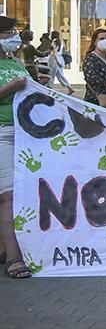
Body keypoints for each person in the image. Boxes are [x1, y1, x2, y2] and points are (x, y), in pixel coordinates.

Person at [0, 15, 48, 278]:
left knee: (20, 192)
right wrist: (11, 87)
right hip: (2, 134)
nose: (14, 37)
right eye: (8, 33)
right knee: (8, 196)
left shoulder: (15, 62)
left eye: (14, 32)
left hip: (25, 133)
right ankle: (14, 257)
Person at [82, 28, 106, 106]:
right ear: (94, 42)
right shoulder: (90, 58)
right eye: (101, 39)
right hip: (96, 100)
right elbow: (93, 78)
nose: (105, 41)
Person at [45, 31, 74, 95]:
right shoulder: (61, 42)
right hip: (61, 58)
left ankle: (49, 88)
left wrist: (57, 61)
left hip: (54, 59)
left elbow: (54, 52)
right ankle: (69, 87)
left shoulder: (54, 42)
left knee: (51, 74)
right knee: (60, 75)